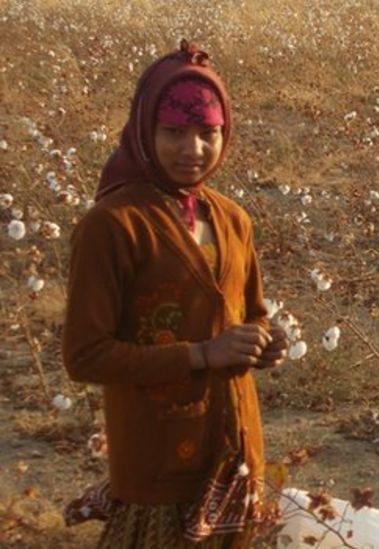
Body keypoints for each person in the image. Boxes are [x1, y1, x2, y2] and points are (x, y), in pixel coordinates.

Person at [61, 40, 287, 548]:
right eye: (173, 132)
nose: (193, 150)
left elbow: (250, 314)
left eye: (208, 133)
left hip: (233, 449)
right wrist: (202, 354)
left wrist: (265, 342)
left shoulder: (232, 219)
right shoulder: (113, 226)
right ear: (145, 131)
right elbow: (85, 355)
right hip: (158, 461)